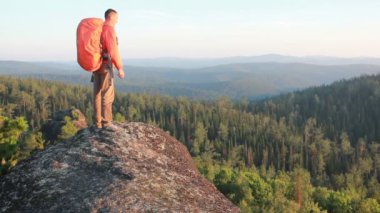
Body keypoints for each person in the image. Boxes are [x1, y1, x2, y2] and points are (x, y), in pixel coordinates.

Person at [93, 8, 125, 129]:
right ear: (111, 17)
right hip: (106, 65)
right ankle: (106, 123)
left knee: (97, 93)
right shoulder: (109, 30)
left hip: (96, 64)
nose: (117, 20)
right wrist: (120, 68)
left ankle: (97, 122)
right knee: (107, 93)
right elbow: (113, 51)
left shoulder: (98, 29)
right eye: (116, 18)